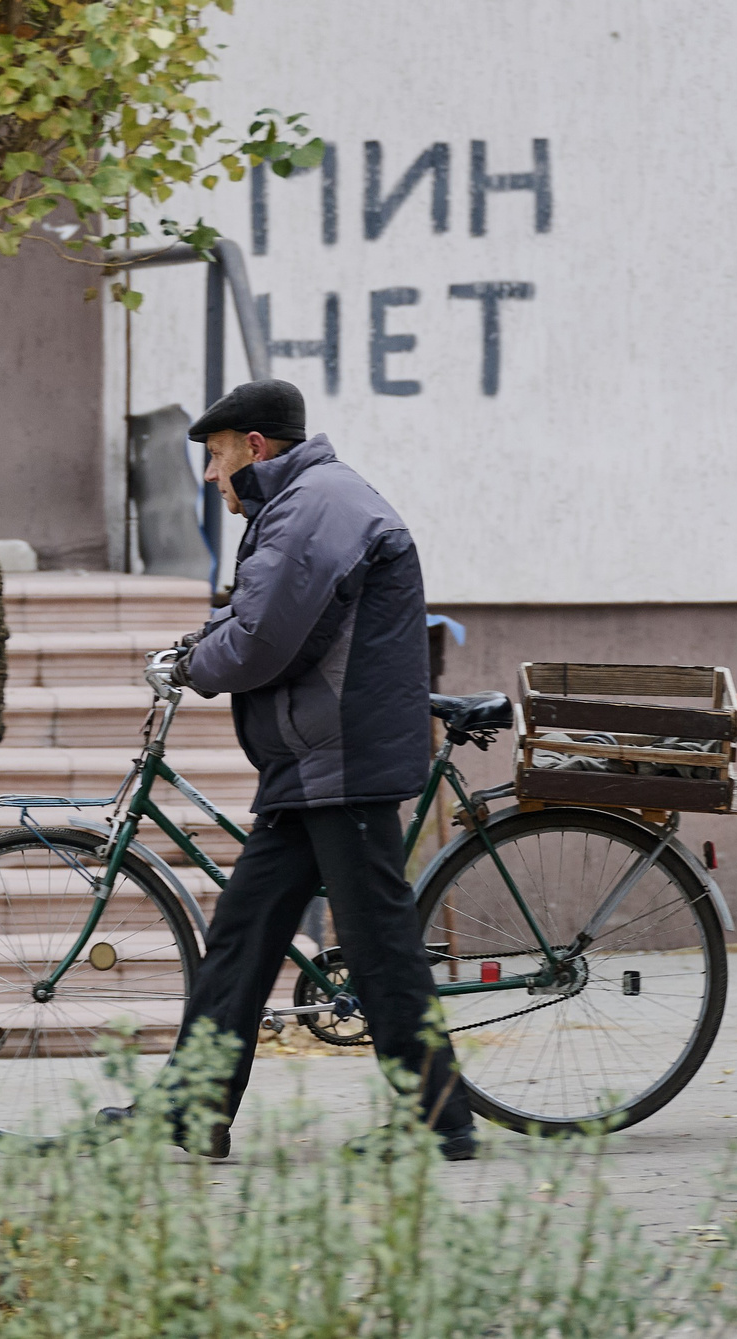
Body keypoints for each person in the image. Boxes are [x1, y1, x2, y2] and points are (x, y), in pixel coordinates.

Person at [112, 378, 474, 1161]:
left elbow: (260, 641)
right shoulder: (302, 503)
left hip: (340, 760)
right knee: (243, 935)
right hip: (314, 763)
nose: (212, 479)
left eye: (215, 458)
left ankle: (441, 1119)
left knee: (379, 943)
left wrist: (194, 665)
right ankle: (192, 1106)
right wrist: (202, 642)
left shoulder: (314, 508)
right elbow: (258, 609)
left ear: (255, 447)